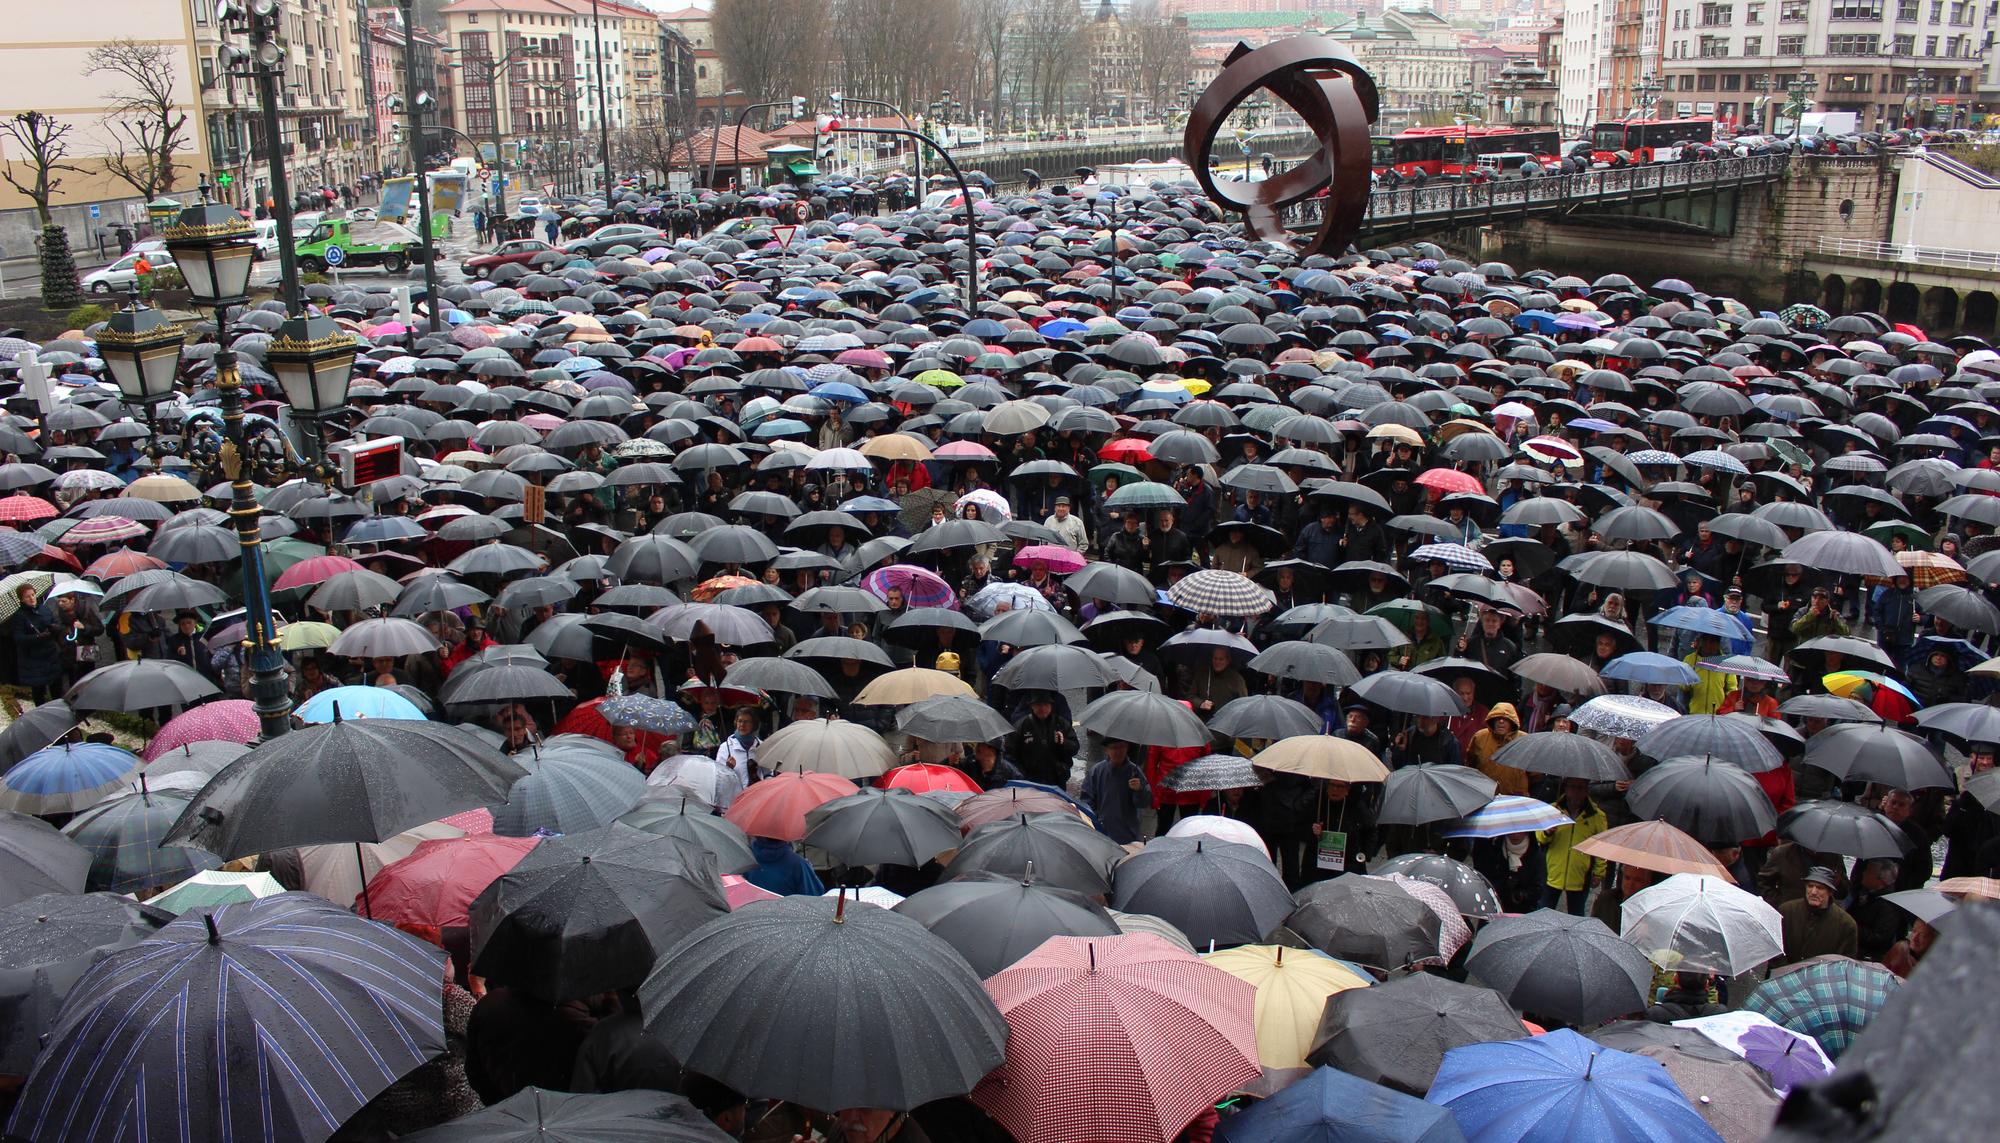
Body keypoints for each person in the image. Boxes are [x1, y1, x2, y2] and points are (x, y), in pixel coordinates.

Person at [1536, 778, 1607, 914]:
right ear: (1565, 788)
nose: (1576, 792)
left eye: (1580, 788)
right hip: (1553, 872)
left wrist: (1599, 872)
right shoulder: (1552, 810)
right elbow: (1540, 838)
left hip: (1580, 875)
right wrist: (1547, 832)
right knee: (1544, 912)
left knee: (1577, 914)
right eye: (1572, 787)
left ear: (1586, 790)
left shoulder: (1597, 816)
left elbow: (1601, 846)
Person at [1777, 867, 1859, 965]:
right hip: (1783, 974)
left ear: (1830, 892)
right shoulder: (1786, 911)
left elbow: (1844, 963)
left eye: (1820, 888)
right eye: (1810, 886)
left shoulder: (1846, 924)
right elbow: (1776, 949)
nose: (1813, 892)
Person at [1082, 739, 1149, 845]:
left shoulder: (1135, 772)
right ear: (1106, 750)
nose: (1118, 751)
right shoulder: (1097, 771)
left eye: (1122, 747)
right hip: (1102, 832)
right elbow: (1087, 801)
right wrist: (1096, 821)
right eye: (1114, 748)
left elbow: (1144, 803)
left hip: (1127, 834)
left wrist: (1139, 790)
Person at [1008, 693, 1078, 788]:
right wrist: (1022, 775)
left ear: (1051, 706)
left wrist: (1064, 742)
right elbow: (1010, 754)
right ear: (1032, 706)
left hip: (1057, 779)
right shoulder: (1022, 726)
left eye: (1046, 705)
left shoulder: (1061, 723)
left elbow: (1075, 748)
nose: (1042, 708)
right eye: (1038, 705)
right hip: (1030, 781)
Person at [9, 584, 61, 704]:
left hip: (50, 655)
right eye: (27, 597)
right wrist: (37, 636)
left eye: (33, 595)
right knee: (39, 692)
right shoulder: (19, 616)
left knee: (57, 689)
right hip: (33, 659)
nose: (32, 598)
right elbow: (18, 638)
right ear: (21, 599)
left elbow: (55, 623)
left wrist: (55, 628)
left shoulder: (43, 609)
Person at [1465, 703, 1528, 796]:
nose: (1501, 721)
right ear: (1492, 720)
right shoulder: (1480, 737)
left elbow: (1535, 774)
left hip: (1515, 798)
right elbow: (1470, 765)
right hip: (1485, 795)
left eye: (1506, 719)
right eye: (1498, 718)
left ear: (1512, 722)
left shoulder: (1524, 740)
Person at [713, 707, 762, 810]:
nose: (742, 725)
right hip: (733, 802)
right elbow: (718, 778)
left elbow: (768, 773)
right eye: (740, 721)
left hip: (756, 800)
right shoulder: (725, 747)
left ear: (754, 724)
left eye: (746, 722)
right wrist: (728, 768)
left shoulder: (761, 746)